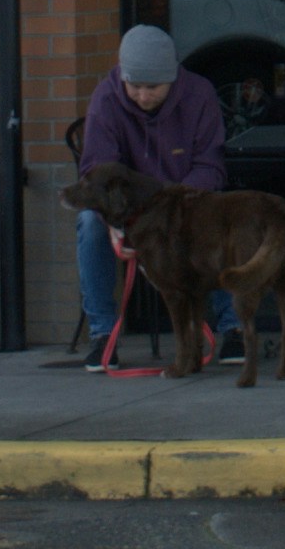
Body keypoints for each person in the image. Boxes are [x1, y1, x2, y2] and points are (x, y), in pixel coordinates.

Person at [70, 24, 236, 370]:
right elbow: (98, 172)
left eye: (153, 87)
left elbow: (210, 165)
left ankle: (233, 327)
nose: (143, 96)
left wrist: (177, 207)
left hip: (187, 202)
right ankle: (103, 335)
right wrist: (119, 220)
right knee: (89, 223)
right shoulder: (106, 99)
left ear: (172, 77)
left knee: (220, 220)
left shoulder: (200, 95)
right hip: (128, 211)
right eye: (135, 86)